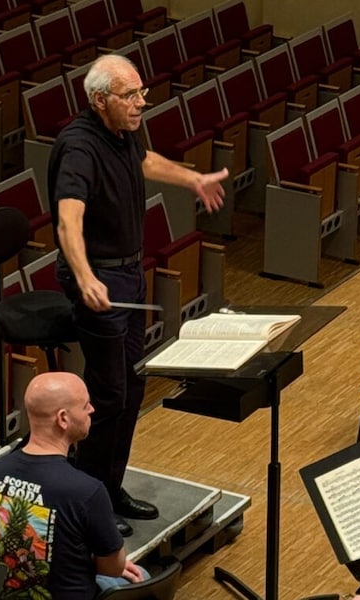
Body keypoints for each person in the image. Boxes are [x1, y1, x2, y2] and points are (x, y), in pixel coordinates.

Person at [48, 54, 228, 536]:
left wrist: (192, 178)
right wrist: (85, 277)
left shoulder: (124, 133)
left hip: (129, 273)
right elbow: (69, 220)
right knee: (107, 395)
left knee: (132, 383)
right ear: (99, 100)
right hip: (101, 279)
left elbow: (143, 161)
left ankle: (108, 486)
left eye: (142, 93)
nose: (141, 103)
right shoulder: (78, 148)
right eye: (130, 96)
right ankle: (89, 506)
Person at [0, 372, 146, 598]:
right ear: (63, 418)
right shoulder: (87, 490)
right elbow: (113, 567)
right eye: (85, 405)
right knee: (141, 575)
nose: (92, 410)